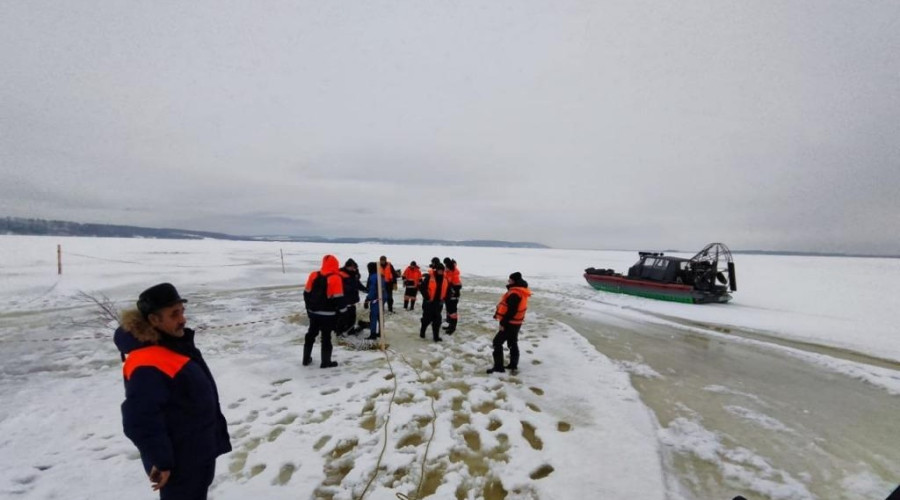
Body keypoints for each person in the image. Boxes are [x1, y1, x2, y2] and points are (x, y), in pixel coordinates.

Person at [114, 283, 232, 499]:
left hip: (197, 452)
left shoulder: (173, 343)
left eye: (182, 311)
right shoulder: (147, 361)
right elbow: (139, 419)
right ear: (153, 320)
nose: (183, 319)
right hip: (180, 463)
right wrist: (161, 462)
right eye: (174, 314)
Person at [303, 254, 344, 368]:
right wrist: (343, 312)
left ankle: (305, 359)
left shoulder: (314, 275)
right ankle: (326, 362)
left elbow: (306, 293)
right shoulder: (335, 278)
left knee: (311, 334)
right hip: (328, 314)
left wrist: (309, 309)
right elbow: (339, 299)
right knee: (326, 337)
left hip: (314, 313)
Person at [487, 272, 532, 374]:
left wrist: (503, 323)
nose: (508, 281)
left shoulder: (515, 293)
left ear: (514, 281)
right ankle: (513, 364)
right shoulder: (521, 291)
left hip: (511, 322)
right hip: (517, 322)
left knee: (497, 342)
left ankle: (499, 367)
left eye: (510, 280)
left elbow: (511, 311)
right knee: (512, 342)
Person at [418, 262, 449, 342]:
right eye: (439, 270)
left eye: (442, 270)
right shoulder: (429, 277)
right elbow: (422, 287)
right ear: (436, 270)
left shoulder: (445, 278)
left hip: (438, 303)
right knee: (426, 319)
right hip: (429, 302)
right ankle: (422, 332)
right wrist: (427, 297)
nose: (441, 272)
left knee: (437, 321)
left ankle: (436, 337)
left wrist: (447, 297)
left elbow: (447, 290)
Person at [337, 258, 365, 336]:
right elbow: (341, 287)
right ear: (347, 266)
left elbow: (358, 284)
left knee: (352, 318)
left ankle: (350, 331)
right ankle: (339, 333)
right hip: (343, 302)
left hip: (352, 300)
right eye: (352, 267)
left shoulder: (354, 275)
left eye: (354, 267)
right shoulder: (340, 274)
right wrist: (351, 287)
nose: (354, 269)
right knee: (343, 319)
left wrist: (365, 289)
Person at [365, 261, 388, 339]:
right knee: (379, 315)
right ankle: (381, 333)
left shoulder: (373, 277)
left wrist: (368, 299)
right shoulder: (380, 276)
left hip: (376, 298)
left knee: (373, 316)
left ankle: (373, 334)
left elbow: (372, 289)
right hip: (383, 297)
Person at [442, 257, 462, 334]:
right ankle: (450, 325)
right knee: (449, 311)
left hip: (453, 296)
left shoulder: (454, 273)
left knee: (453, 311)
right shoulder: (447, 272)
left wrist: (453, 290)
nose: (445, 267)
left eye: (446, 266)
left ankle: (453, 327)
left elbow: (458, 286)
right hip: (447, 295)